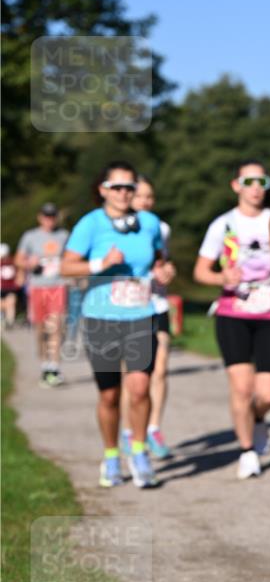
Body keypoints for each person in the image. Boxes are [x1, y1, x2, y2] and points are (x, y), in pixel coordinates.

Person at [61, 161, 175, 489]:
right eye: (117, 187)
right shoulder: (90, 224)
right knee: (110, 395)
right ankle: (111, 456)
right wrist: (101, 263)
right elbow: (66, 267)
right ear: (103, 190)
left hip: (140, 315)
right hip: (101, 318)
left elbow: (159, 260)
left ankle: (138, 452)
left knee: (139, 388)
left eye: (129, 187)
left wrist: (165, 271)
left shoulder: (149, 223)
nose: (124, 193)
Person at [194, 161, 270, 480]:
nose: (256, 187)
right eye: (249, 181)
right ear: (236, 186)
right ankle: (247, 451)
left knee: (268, 394)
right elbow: (200, 271)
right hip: (233, 312)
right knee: (242, 387)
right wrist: (222, 277)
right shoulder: (223, 224)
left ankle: (258, 419)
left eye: (262, 181)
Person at [120, 175, 175, 459]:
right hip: (128, 307)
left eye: (150, 197)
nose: (145, 201)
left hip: (157, 304)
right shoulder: (114, 226)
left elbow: (163, 261)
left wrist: (168, 271)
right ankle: (129, 430)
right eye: (140, 196)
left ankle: (153, 427)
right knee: (132, 375)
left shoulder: (160, 227)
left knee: (161, 368)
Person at [16, 203, 69, 386]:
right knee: (41, 329)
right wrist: (28, 264)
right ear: (40, 217)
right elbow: (18, 259)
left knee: (56, 326)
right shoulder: (30, 236)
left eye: (52, 216)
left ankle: (54, 367)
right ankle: (45, 366)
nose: (49, 220)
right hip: (38, 287)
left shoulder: (64, 236)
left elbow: (72, 258)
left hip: (58, 286)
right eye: (46, 216)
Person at [0, 243, 23, 328]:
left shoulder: (12, 262)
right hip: (1, 288)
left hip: (10, 288)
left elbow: (19, 273)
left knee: (11, 303)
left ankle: (9, 322)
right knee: (5, 304)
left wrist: (19, 281)